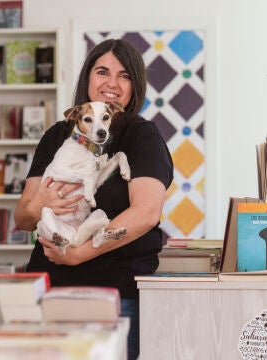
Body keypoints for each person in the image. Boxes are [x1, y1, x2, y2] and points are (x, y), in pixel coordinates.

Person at [14, 39, 173, 360]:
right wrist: (40, 202)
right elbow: (23, 218)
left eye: (124, 75)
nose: (112, 83)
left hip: (114, 295)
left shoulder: (141, 136)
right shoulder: (57, 135)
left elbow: (145, 213)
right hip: (50, 292)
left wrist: (79, 254)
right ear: (88, 78)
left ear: (135, 86)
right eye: (102, 72)